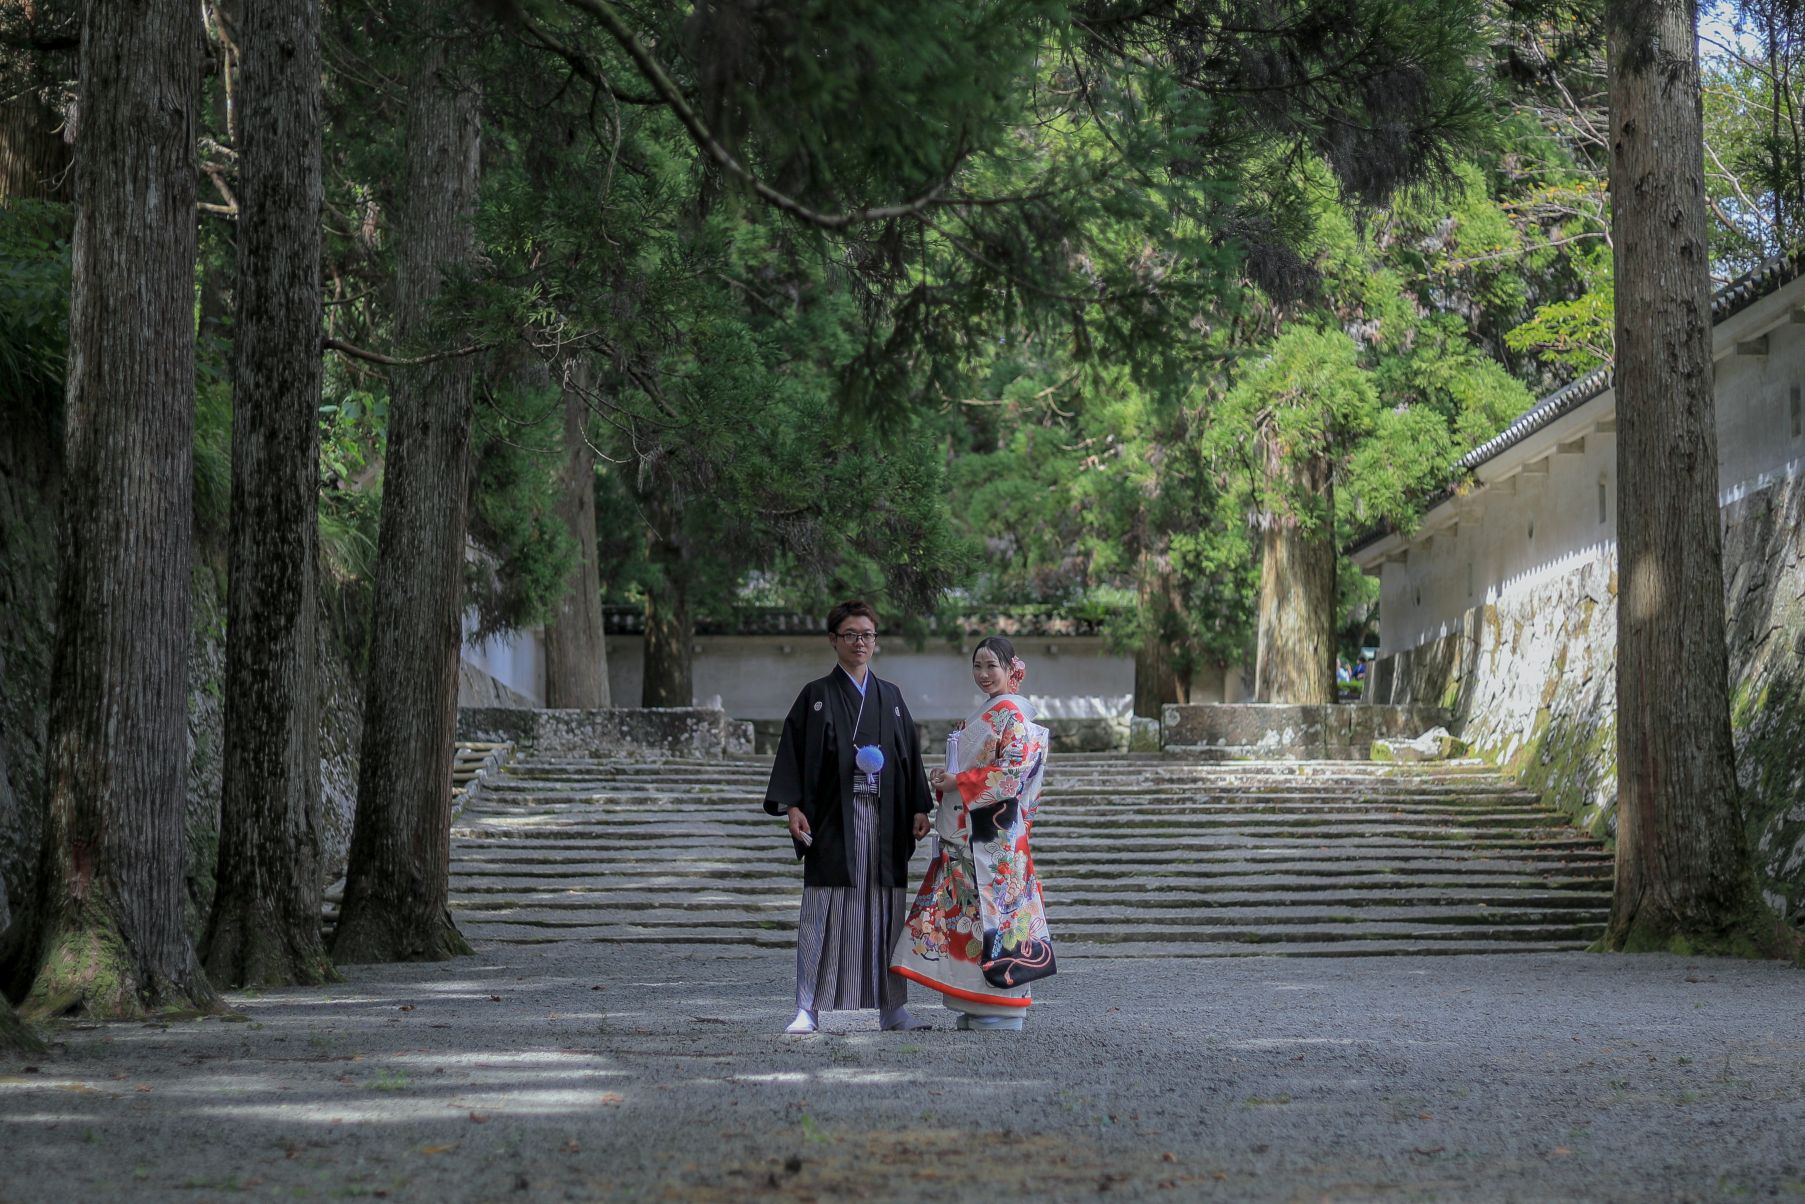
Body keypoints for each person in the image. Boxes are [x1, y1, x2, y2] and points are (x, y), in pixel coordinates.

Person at [762, 600, 934, 1034]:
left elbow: (908, 756)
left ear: (876, 641)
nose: (861, 642)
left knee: (886, 912)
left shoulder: (890, 696)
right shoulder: (816, 696)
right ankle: (808, 1007)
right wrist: (793, 805)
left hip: (884, 821)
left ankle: (893, 1007)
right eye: (851, 634)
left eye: (868, 635)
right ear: (834, 640)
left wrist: (918, 806)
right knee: (824, 908)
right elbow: (794, 755)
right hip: (834, 821)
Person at [890, 636, 1055, 1032]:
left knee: (993, 918)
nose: (982, 674)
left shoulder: (1012, 715)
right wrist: (949, 780)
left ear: (1010, 669)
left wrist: (958, 780)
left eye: (991, 666)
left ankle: (1000, 1005)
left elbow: (1012, 774)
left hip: (992, 838)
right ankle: (975, 1002)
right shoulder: (990, 712)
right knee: (970, 918)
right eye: (977, 666)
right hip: (972, 834)